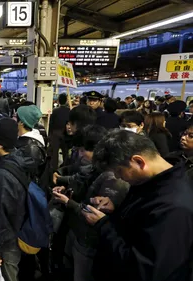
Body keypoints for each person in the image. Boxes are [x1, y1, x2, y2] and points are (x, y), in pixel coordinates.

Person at [82, 130, 193, 281]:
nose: (118, 177)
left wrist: (103, 225)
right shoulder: (150, 182)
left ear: (139, 162)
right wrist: (117, 210)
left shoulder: (173, 208)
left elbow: (146, 270)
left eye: (119, 171)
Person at [52, 125, 129, 281]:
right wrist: (66, 186)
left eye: (82, 150)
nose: (80, 155)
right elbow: (80, 181)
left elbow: (95, 216)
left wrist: (68, 202)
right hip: (76, 232)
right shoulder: (95, 168)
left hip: (89, 241)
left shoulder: (112, 177)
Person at [0, 118, 30, 281]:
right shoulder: (17, 160)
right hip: (13, 237)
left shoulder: (1, 175)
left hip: (5, 245)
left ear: (0, 144)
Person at [15, 104, 46, 181]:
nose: (13, 119)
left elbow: (30, 175)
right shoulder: (28, 140)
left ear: (21, 122)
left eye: (15, 117)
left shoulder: (30, 147)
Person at [49, 93, 70, 169]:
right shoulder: (70, 111)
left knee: (54, 153)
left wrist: (50, 135)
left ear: (58, 101)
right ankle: (65, 167)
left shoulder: (55, 111)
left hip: (55, 133)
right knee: (65, 152)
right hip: (66, 134)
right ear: (66, 101)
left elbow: (51, 124)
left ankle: (53, 168)